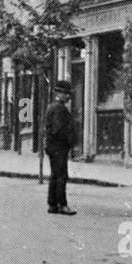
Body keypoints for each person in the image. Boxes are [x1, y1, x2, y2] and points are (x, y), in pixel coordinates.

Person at [45, 80, 77, 215]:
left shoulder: (51, 107)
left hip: (52, 146)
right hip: (59, 146)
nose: (68, 96)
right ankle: (62, 205)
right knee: (61, 175)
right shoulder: (60, 108)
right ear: (59, 93)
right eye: (66, 93)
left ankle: (52, 205)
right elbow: (59, 129)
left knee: (54, 175)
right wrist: (69, 141)